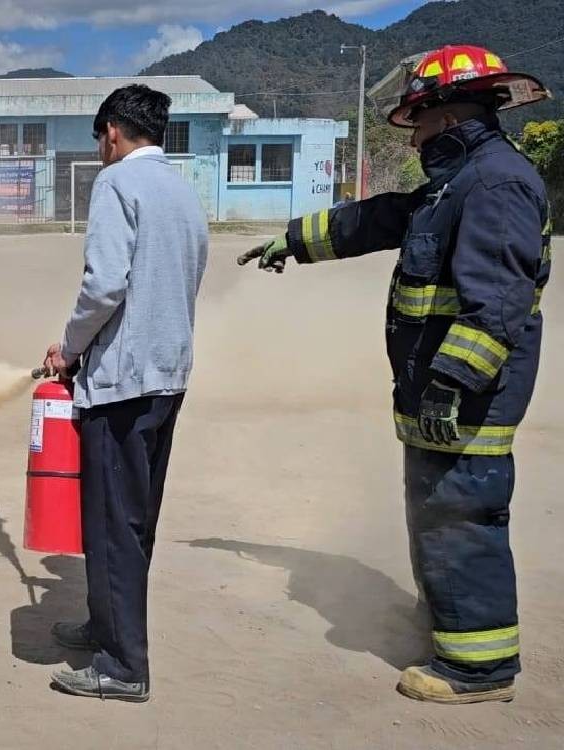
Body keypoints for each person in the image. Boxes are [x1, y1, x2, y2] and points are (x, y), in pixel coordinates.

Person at [238, 45, 552, 704]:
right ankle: (447, 622)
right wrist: (295, 240)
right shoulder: (454, 182)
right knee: (434, 511)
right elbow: (378, 219)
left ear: (447, 112)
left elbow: (496, 302)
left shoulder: (495, 183)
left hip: (463, 399)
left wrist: (451, 382)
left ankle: (478, 670)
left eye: (418, 119)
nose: (412, 134)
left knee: (461, 516)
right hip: (434, 395)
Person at [42, 84, 208, 702]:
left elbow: (105, 284)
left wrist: (69, 347)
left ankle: (121, 667)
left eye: (99, 139)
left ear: (111, 132)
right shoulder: (182, 190)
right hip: (168, 375)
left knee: (112, 523)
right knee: (134, 520)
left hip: (121, 382)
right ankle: (104, 625)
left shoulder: (115, 185)